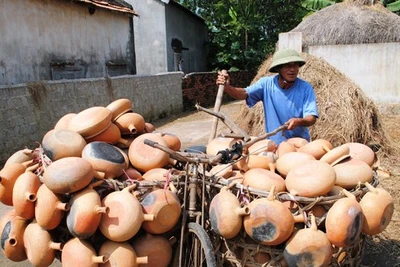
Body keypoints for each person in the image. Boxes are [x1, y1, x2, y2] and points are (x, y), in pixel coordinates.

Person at [216, 48, 319, 145]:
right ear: (279, 68)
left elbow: (311, 117)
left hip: (299, 144)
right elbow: (244, 94)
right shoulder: (266, 84)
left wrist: (299, 121)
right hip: (274, 145)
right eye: (287, 66)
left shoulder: (305, 88)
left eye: (295, 65)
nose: (292, 70)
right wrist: (228, 87)